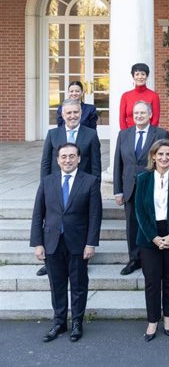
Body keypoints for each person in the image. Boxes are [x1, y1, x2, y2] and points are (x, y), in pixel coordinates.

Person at [30, 143, 103, 343]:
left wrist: (91, 243)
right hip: (52, 242)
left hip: (78, 243)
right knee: (57, 285)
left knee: (79, 285)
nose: (67, 160)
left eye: (72, 156)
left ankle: (77, 322)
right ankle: (59, 322)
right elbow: (38, 214)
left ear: (79, 159)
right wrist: (38, 243)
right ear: (57, 159)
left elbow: (95, 216)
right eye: (63, 157)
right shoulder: (47, 182)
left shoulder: (90, 181)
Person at [37, 99, 101, 280]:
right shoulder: (53, 134)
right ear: (62, 115)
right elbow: (46, 163)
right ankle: (50, 263)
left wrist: (94, 188)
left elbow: (96, 165)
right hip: (56, 189)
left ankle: (80, 262)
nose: (72, 116)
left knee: (78, 226)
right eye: (68, 113)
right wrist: (44, 187)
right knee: (54, 223)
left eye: (76, 112)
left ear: (81, 113)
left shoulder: (90, 135)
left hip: (82, 190)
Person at [134, 139, 169, 342]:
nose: (164, 158)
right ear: (153, 156)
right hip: (149, 234)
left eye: (168, 154)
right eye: (160, 154)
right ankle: (152, 320)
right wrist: (154, 237)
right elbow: (139, 210)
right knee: (151, 280)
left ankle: (168, 317)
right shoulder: (143, 178)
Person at [114, 101, 169, 275]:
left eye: (142, 113)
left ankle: (152, 258)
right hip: (130, 188)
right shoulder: (124, 134)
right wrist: (118, 190)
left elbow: (167, 160)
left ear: (150, 115)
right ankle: (134, 259)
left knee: (152, 223)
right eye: (136, 113)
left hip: (153, 187)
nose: (139, 116)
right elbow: (118, 164)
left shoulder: (160, 133)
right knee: (132, 226)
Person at [119, 63, 161, 130]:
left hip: (148, 135)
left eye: (143, 74)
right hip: (129, 135)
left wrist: (148, 135)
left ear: (147, 76)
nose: (140, 77)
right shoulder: (125, 96)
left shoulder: (154, 96)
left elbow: (155, 119)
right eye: (137, 74)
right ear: (133, 77)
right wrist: (125, 135)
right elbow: (122, 120)